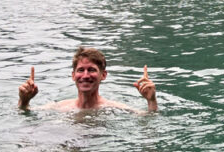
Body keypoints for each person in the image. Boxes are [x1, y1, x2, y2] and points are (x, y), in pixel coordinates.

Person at [17, 46, 158, 112]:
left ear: (103, 75)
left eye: (91, 70)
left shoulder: (114, 109)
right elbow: (25, 111)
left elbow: (149, 119)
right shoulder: (59, 108)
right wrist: (24, 101)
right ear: (73, 76)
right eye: (80, 70)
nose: (85, 76)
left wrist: (151, 101)